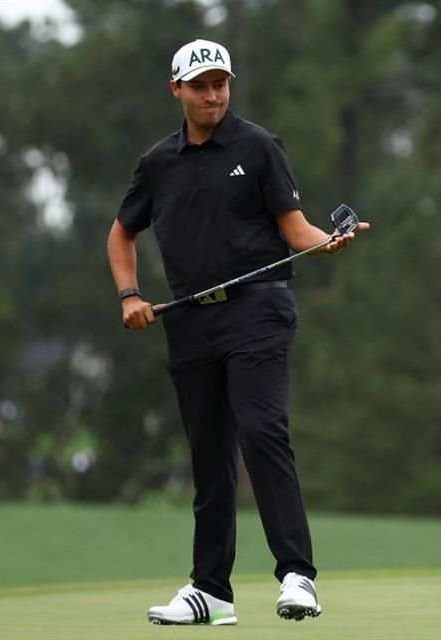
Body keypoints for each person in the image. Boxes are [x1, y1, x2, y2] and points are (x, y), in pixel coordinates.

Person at [107, 38, 368, 626]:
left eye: (220, 83)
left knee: (261, 431)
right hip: (190, 318)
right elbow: (121, 233)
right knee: (208, 452)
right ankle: (211, 590)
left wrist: (328, 241)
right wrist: (129, 295)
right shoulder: (158, 163)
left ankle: (297, 575)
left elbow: (295, 228)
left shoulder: (257, 146)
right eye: (199, 85)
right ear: (177, 89)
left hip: (258, 310)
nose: (213, 94)